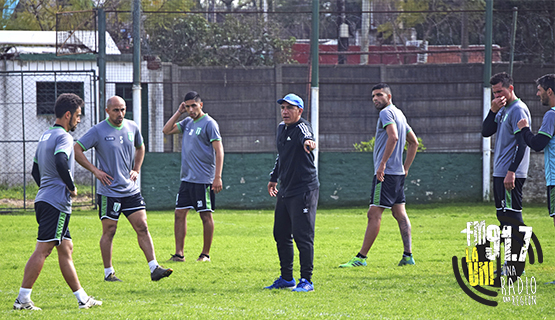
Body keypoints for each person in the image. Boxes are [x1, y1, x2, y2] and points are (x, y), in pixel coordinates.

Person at [14, 93, 102, 310]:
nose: (79, 120)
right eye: (78, 116)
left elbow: (36, 170)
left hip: (44, 199)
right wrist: (71, 187)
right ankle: (22, 299)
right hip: (55, 203)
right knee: (43, 250)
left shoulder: (46, 135)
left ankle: (83, 299)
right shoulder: (64, 137)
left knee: (66, 248)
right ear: (68, 115)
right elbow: (61, 161)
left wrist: (47, 187)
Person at [74, 96, 172, 282]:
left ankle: (154, 268)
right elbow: (77, 149)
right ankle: (108, 273)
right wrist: (95, 171)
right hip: (109, 191)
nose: (120, 114)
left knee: (142, 227)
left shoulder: (132, 127)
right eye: (116, 110)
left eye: (123, 109)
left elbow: (140, 148)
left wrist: (136, 169)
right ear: (107, 111)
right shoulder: (98, 130)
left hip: (130, 190)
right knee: (110, 231)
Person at [339, 83, 419, 268]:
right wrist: (405, 167)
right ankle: (408, 256)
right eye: (373, 96)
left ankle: (361, 258)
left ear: (389, 97)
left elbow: (394, 137)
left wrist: (382, 164)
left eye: (379, 95)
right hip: (397, 174)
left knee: (373, 214)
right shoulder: (399, 113)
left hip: (387, 174)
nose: (375, 99)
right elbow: (413, 142)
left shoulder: (386, 113)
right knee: (400, 213)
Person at [263, 93, 319, 292]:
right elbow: (282, 156)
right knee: (281, 233)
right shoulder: (281, 128)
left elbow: (308, 137)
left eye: (290, 108)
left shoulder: (302, 127)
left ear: (299, 111)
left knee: (302, 236)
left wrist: (309, 143)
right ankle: (287, 278)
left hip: (303, 189)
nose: (285, 112)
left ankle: (307, 280)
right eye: (283, 108)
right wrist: (273, 177)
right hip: (285, 190)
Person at [162, 91, 224, 262]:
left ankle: (205, 254)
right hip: (187, 179)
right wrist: (178, 112)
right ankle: (179, 254)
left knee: (205, 215)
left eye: (193, 106)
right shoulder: (187, 122)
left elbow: (219, 151)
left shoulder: (209, 123)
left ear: (201, 105)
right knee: (179, 213)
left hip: (203, 179)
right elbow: (166, 130)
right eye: (187, 106)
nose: (191, 109)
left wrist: (217, 177)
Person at [481, 72, 531, 277]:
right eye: (494, 93)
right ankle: (510, 265)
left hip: (511, 173)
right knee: (503, 216)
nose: (497, 96)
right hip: (500, 172)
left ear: (510, 88)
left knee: (512, 218)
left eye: (500, 91)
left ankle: (514, 267)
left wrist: (512, 171)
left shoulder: (518, 109)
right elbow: (485, 132)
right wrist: (492, 111)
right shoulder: (502, 109)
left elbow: (523, 143)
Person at [516, 74, 555, 283]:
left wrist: (524, 129)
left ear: (549, 91)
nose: (537, 94)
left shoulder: (551, 115)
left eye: (539, 90)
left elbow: (538, 143)